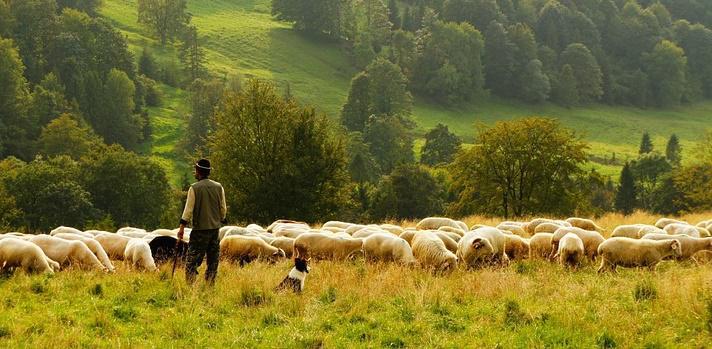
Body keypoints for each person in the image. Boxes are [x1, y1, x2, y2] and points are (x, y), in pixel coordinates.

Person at [178, 159, 227, 285]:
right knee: (213, 261)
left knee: (191, 261)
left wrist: (182, 227)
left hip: (200, 231)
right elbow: (223, 208)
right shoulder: (218, 187)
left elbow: (188, 210)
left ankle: (190, 287)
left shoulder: (194, 188)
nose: (194, 172)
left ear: (198, 172)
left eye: (195, 170)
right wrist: (220, 219)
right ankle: (210, 285)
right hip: (215, 230)